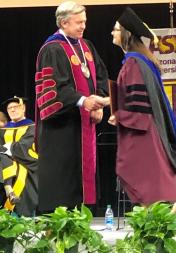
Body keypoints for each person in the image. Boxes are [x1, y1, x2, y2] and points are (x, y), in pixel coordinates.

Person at [35, 1, 109, 213]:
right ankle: (60, 233)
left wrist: (99, 105)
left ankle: (78, 226)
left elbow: (101, 78)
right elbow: (55, 86)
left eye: (84, 21)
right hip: (62, 128)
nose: (83, 26)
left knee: (80, 185)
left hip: (83, 124)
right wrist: (83, 101)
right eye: (79, 22)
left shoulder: (86, 46)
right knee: (63, 183)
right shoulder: (52, 49)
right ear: (64, 22)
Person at [108, 7, 176, 206]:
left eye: (116, 29)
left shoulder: (134, 63)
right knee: (150, 187)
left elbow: (138, 106)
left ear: (127, 34)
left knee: (148, 187)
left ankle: (150, 232)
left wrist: (119, 115)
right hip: (148, 130)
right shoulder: (142, 61)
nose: (112, 32)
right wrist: (109, 102)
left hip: (142, 133)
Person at [0, 96, 38, 216]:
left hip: (27, 164)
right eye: (9, 108)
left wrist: (8, 148)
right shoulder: (3, 129)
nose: (12, 110)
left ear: (23, 108)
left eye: (15, 107)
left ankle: (8, 188)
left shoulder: (32, 127)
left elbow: (25, 147)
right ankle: (8, 190)